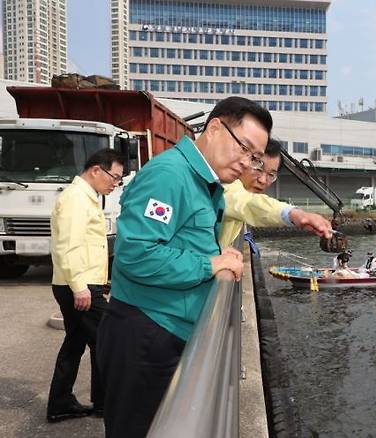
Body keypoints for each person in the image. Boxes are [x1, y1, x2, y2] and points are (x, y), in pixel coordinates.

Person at [96, 97, 272, 438]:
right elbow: (137, 254)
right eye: (245, 149)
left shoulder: (202, 182)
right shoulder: (169, 176)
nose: (247, 164)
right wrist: (210, 264)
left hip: (166, 330)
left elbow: (183, 239)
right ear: (216, 127)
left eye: (254, 158)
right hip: (146, 333)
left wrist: (220, 255)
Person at [47, 148, 125, 422]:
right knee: (107, 338)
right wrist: (80, 286)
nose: (115, 183)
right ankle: (104, 403)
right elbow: (67, 246)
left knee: (76, 342)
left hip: (81, 283)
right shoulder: (76, 199)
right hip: (78, 285)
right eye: (114, 177)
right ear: (96, 170)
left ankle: (60, 403)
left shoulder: (85, 197)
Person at [219, 138, 332, 250]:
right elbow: (246, 203)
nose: (263, 180)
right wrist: (294, 214)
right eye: (258, 168)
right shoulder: (226, 187)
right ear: (242, 162)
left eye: (271, 175)